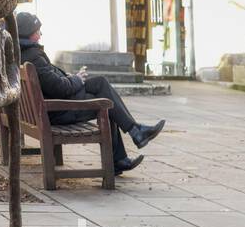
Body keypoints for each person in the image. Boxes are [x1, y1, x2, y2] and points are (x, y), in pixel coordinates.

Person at [16, 12, 164, 174]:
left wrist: (71, 78)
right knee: (107, 103)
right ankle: (129, 143)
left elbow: (52, 81)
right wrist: (77, 80)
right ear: (29, 34)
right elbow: (59, 88)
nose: (40, 35)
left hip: (47, 108)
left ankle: (133, 137)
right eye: (37, 31)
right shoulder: (34, 57)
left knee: (100, 84)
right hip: (57, 111)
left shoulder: (23, 54)